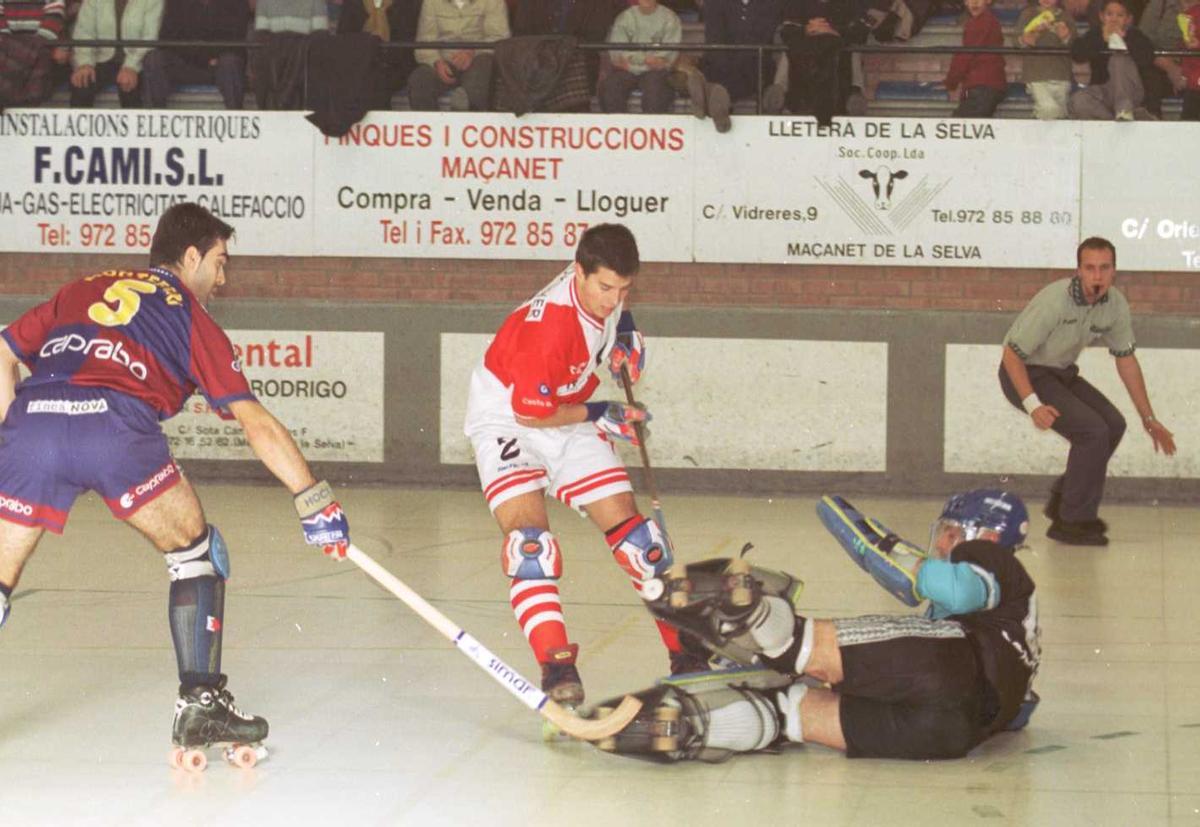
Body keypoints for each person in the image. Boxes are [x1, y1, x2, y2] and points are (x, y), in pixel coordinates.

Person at [0, 203, 351, 759]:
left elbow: (2, 349)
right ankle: (201, 704)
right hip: (114, 426)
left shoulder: (82, 287)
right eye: (220, 261)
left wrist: (11, 433)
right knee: (197, 552)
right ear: (191, 257)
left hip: (33, 425)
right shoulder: (190, 317)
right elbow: (253, 421)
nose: (223, 277)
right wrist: (314, 501)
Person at [587, 489, 1041, 762]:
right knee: (792, 713)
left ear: (986, 536)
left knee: (799, 646)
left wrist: (876, 544)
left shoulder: (997, 562)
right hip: (954, 734)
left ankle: (746, 612)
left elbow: (956, 591)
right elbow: (1019, 711)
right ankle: (699, 725)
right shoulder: (1022, 637)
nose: (942, 541)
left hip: (952, 662)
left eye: (951, 532)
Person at [463, 223, 702, 708]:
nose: (612, 300)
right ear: (579, 273)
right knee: (530, 547)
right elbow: (531, 412)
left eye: (624, 289)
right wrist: (602, 412)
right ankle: (557, 667)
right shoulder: (550, 328)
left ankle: (689, 659)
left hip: (562, 411)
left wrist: (626, 334)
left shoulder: (599, 291)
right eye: (605, 288)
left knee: (643, 547)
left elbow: (614, 315)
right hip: (510, 420)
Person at [998, 237, 1176, 546]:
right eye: (1090, 268)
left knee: (1114, 425)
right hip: (1025, 375)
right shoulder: (1054, 301)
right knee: (1092, 431)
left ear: (1114, 271)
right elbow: (1011, 355)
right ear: (1078, 270)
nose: (1097, 276)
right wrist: (1033, 404)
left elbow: (1127, 360)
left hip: (1062, 374)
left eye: (1104, 268)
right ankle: (1070, 523)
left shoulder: (1115, 304)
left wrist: (1149, 418)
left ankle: (1065, 498)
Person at [140, 0, 250, 110]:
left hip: (219, 67)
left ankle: (235, 119)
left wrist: (202, 54)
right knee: (154, 59)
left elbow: (235, 37)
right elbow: (167, 39)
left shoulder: (237, 2)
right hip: (187, 64)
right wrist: (204, 58)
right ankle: (156, 119)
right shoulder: (177, 2)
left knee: (230, 62)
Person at [408, 0, 510, 111]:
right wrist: (436, 62)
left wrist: (473, 51)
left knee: (479, 76)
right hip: (444, 62)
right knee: (419, 80)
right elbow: (424, 42)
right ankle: (433, 126)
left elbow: (499, 39)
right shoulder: (431, 2)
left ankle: (472, 121)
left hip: (479, 60)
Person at [701, 0, 784, 131]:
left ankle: (718, 103)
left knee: (757, 69)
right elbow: (714, 37)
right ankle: (766, 102)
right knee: (717, 66)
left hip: (756, 61)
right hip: (724, 61)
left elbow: (764, 36)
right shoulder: (715, 3)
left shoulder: (771, 3)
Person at [67, 0, 163, 109]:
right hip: (101, 59)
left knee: (130, 90)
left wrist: (131, 67)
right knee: (81, 85)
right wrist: (84, 63)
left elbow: (150, 38)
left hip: (136, 61)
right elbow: (84, 33)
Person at [1069, 0, 1156, 119]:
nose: (1114, 19)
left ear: (1128, 19)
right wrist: (1102, 40)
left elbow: (1147, 58)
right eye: (1109, 14)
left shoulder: (1135, 35)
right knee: (1078, 100)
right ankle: (1115, 120)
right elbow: (1077, 54)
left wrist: (1125, 40)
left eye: (1120, 15)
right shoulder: (1096, 34)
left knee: (1118, 59)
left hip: (1131, 91)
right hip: (1104, 92)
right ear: (1101, 16)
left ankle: (1124, 109)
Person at [336, 0, 422, 110]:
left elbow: (409, 40)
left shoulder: (407, 3)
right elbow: (343, 39)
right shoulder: (353, 3)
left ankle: (381, 123)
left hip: (397, 64)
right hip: (360, 62)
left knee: (376, 81)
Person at [600, 0, 682, 114]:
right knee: (611, 87)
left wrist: (632, 60)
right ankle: (617, 128)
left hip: (653, 72)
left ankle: (652, 129)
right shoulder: (625, 17)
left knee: (656, 91)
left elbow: (665, 58)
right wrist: (646, 60)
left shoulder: (670, 18)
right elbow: (617, 52)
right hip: (628, 71)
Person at [1015, 0, 1076, 119]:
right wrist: (1028, 37)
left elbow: (1075, 45)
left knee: (1061, 114)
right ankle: (1036, 121)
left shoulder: (1065, 16)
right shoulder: (1027, 14)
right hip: (1036, 75)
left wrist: (1065, 37)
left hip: (1061, 74)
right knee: (1049, 109)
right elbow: (1016, 42)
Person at [945, 0, 1006, 117]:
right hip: (985, 85)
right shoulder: (985, 21)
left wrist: (951, 83)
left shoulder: (982, 23)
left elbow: (966, 55)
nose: (975, 2)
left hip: (984, 86)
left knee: (960, 125)